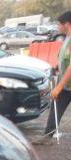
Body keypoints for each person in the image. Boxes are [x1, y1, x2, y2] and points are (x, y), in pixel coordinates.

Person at [38, 11, 71, 142]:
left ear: (67, 24)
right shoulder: (67, 38)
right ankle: (47, 137)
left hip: (65, 83)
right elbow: (65, 59)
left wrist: (59, 87)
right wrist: (56, 68)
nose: (58, 26)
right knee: (56, 108)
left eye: (59, 23)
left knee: (56, 104)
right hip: (66, 83)